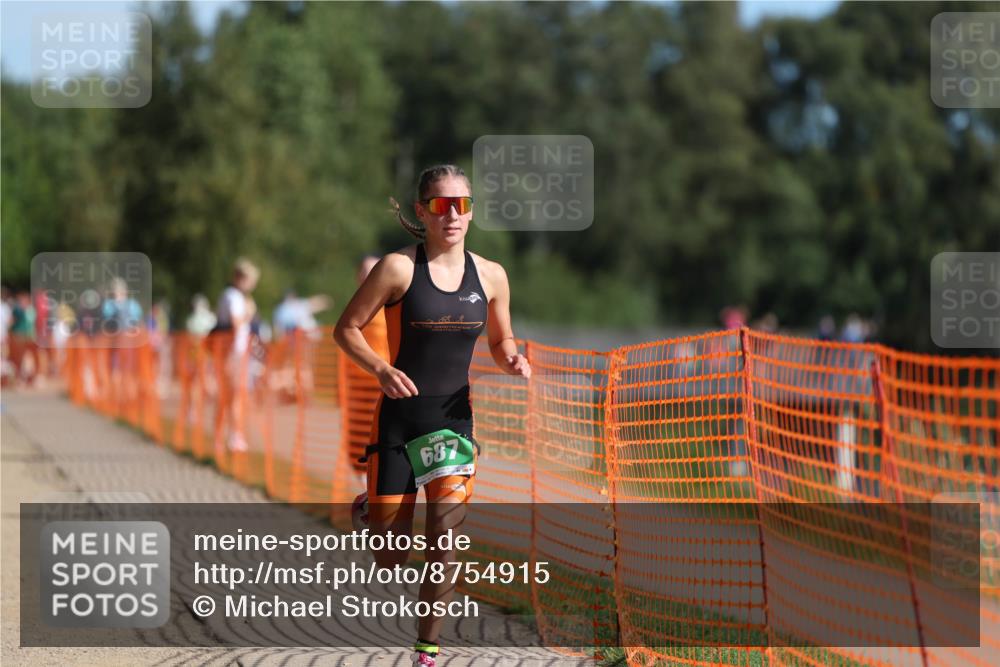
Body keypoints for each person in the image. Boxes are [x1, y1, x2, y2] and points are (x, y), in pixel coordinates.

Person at [334, 164, 531, 667]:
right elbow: (346, 329)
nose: (452, 216)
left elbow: (501, 338)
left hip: (453, 422)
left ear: (471, 212)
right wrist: (381, 369)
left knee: (445, 538)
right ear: (422, 211)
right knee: (391, 556)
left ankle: (427, 650)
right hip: (399, 422)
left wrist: (511, 357)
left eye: (462, 205)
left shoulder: (491, 275)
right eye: (442, 206)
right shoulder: (398, 269)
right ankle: (370, 507)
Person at [213, 258, 261, 453]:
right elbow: (236, 323)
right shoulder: (232, 296)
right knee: (232, 396)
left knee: (233, 396)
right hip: (232, 352)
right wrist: (249, 313)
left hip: (236, 352)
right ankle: (233, 436)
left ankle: (228, 435)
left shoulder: (235, 296)